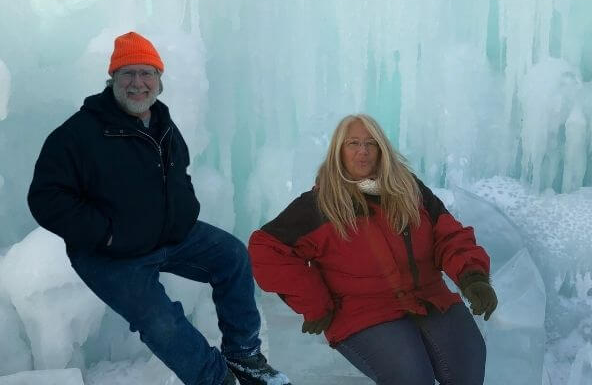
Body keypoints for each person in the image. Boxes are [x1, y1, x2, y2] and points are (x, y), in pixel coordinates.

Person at [27, 32, 290, 385]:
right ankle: (215, 380)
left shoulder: (163, 125)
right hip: (109, 255)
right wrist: (106, 234)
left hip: (168, 235)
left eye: (147, 73)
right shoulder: (78, 133)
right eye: (128, 74)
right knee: (161, 322)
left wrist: (184, 211)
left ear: (160, 82)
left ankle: (243, 355)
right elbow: (46, 197)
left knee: (232, 257)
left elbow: (178, 174)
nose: (138, 83)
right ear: (112, 80)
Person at [248, 114, 498, 385]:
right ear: (338, 152)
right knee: (411, 377)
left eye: (371, 143)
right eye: (353, 143)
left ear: (382, 150)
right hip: (363, 311)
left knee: (468, 366)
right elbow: (265, 249)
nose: (363, 151)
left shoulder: (410, 189)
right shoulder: (319, 205)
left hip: (429, 297)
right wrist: (314, 301)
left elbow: (448, 234)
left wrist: (472, 276)